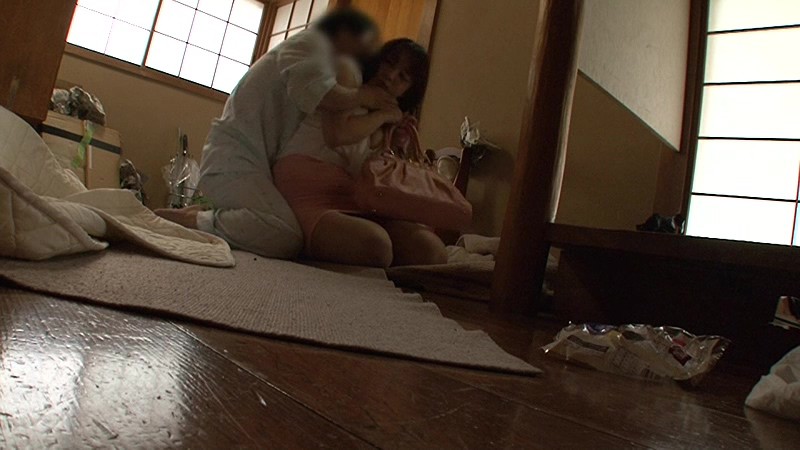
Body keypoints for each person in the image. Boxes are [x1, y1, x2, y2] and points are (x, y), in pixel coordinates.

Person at [155, 8, 396, 259]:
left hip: (255, 162)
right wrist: (373, 100)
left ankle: (200, 216)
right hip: (234, 156)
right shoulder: (311, 45)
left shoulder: (328, 61)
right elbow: (329, 100)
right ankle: (190, 221)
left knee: (282, 229)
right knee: (285, 236)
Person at [273, 39, 447, 268]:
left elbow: (377, 175)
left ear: (410, 89)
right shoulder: (350, 78)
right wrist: (383, 115)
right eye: (389, 63)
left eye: (403, 77)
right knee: (376, 247)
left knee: (431, 252)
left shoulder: (394, 119)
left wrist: (397, 141)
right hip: (307, 184)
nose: (391, 76)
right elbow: (337, 135)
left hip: (356, 195)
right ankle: (306, 241)